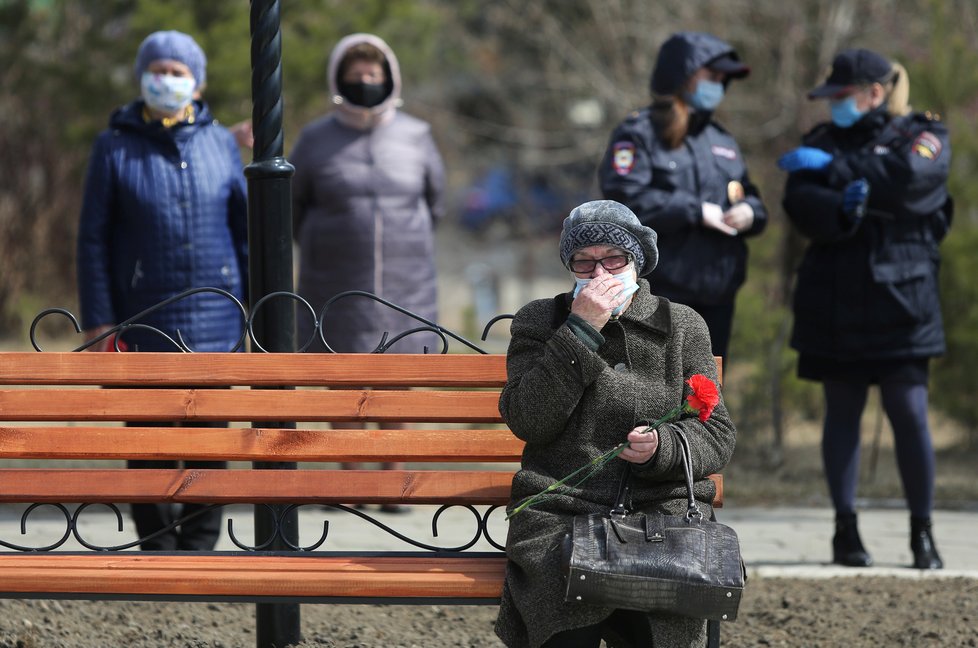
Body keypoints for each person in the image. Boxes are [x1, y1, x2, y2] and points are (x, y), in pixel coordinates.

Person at [494, 200, 736, 647]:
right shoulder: (541, 321)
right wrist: (580, 331)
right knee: (564, 614)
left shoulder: (682, 325)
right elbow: (530, 420)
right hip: (563, 513)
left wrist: (662, 447)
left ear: (637, 261)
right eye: (584, 263)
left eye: (613, 259)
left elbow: (717, 432)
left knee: (660, 623)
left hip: (660, 514)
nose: (600, 273)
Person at [778, 48, 951, 570]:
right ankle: (844, 530)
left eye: (843, 96)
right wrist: (842, 207)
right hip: (836, 301)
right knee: (843, 415)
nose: (834, 106)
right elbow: (800, 200)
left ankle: (923, 532)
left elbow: (913, 182)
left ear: (875, 93)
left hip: (903, 301)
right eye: (829, 98)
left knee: (910, 413)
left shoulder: (922, 134)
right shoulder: (820, 141)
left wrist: (842, 169)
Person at [76, 30, 248, 550]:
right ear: (142, 76)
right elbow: (92, 239)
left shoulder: (221, 142)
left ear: (196, 84)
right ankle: (155, 540)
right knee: (147, 437)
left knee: (208, 437)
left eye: (178, 72)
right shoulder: (114, 146)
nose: (166, 79)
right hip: (140, 317)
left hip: (217, 318)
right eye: (158, 70)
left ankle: (199, 542)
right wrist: (100, 319)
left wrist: (252, 310)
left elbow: (244, 235)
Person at [290, 33, 446, 510]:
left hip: (407, 282)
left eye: (372, 76)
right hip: (333, 281)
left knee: (398, 379)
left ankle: (394, 480)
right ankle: (351, 481)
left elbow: (435, 202)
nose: (364, 83)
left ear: (389, 79)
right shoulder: (315, 139)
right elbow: (293, 208)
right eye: (355, 76)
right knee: (343, 379)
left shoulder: (417, 135)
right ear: (339, 79)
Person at [599, 31, 767, 361]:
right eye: (712, 76)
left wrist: (750, 211)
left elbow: (749, 195)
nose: (718, 85)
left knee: (708, 395)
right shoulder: (640, 132)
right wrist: (696, 211)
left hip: (718, 293)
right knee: (655, 392)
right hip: (660, 292)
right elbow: (625, 198)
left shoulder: (722, 139)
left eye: (723, 79)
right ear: (683, 75)